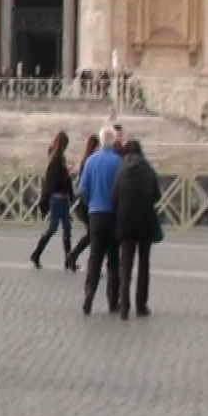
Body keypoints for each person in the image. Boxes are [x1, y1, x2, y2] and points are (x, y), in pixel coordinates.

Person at [111, 138, 160, 320]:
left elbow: (114, 197)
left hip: (125, 222)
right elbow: (157, 195)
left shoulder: (121, 171)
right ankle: (141, 305)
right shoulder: (149, 170)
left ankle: (124, 307)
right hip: (145, 221)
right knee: (144, 265)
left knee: (126, 265)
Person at [78, 125, 124, 316]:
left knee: (95, 258)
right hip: (113, 215)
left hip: (95, 214)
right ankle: (113, 301)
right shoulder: (118, 162)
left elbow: (83, 191)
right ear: (113, 142)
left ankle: (89, 295)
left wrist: (92, 204)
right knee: (113, 260)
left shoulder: (90, 161)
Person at [30, 131, 74, 270]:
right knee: (54, 228)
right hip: (58, 198)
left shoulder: (57, 159)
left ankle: (68, 259)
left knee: (66, 228)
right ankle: (37, 253)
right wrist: (66, 174)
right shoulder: (57, 161)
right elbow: (55, 181)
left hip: (59, 199)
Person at [68, 134, 100, 271]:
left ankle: (73, 257)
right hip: (86, 204)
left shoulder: (86, 160)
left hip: (84, 203)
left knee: (93, 234)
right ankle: (74, 257)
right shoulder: (90, 162)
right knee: (93, 234)